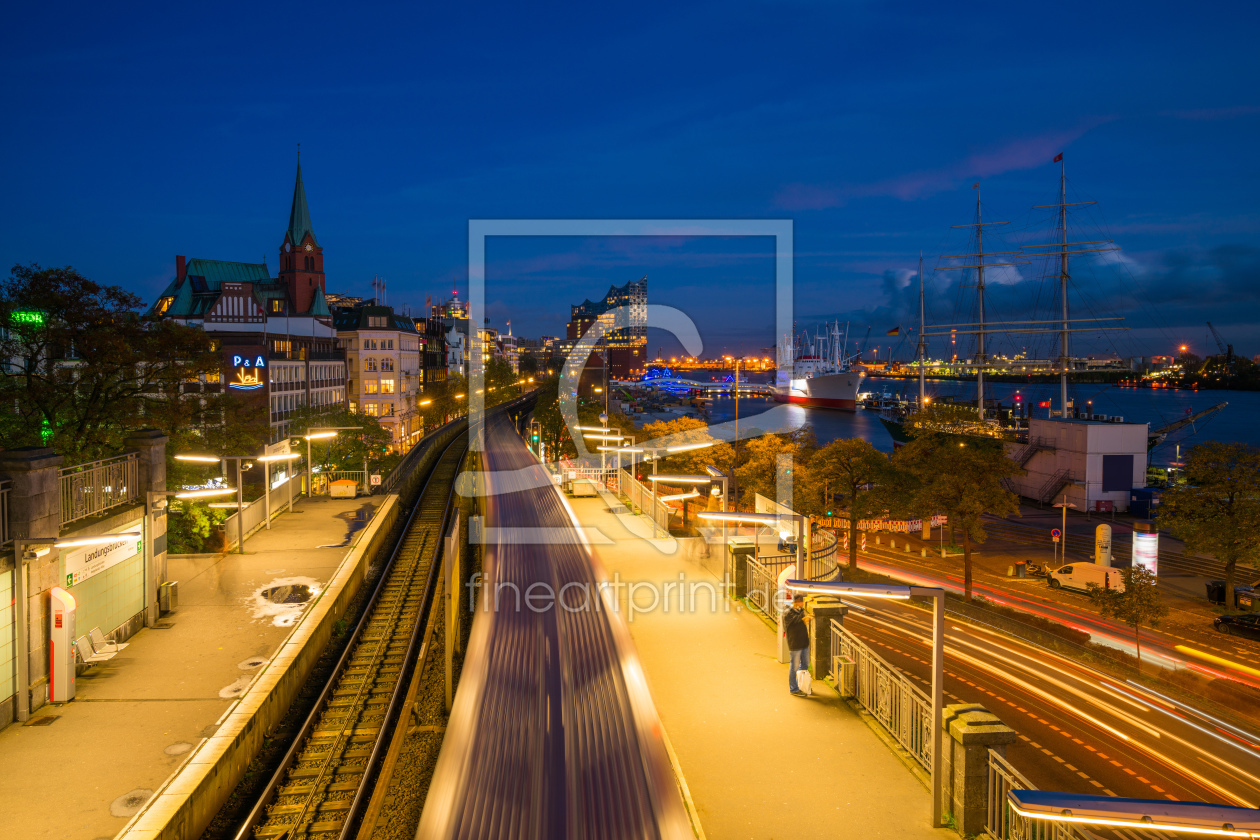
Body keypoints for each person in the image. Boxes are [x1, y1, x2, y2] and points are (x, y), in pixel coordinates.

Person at [783, 593, 811, 696]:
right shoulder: (787, 613)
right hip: (795, 644)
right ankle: (793, 689)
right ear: (797, 602)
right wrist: (804, 619)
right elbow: (796, 621)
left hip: (803, 642)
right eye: (802, 602)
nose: (803, 604)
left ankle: (802, 684)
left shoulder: (800, 610)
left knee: (804, 664)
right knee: (794, 666)